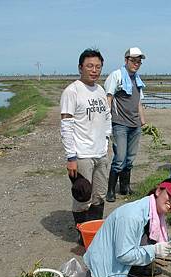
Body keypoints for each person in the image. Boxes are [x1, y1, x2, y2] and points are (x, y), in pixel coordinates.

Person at [84, 181, 171, 277]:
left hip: (119, 258)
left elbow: (159, 235)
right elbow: (123, 255)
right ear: (158, 191)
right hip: (105, 271)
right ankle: (132, 271)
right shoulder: (132, 216)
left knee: (148, 240)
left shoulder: (155, 214)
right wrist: (154, 250)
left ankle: (137, 269)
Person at [60, 48, 111, 232]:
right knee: (83, 197)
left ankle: (94, 231)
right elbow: (66, 126)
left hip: (101, 153)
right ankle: (82, 234)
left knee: (99, 195)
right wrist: (71, 157)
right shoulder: (72, 91)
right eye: (90, 66)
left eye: (98, 66)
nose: (94, 70)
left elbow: (107, 117)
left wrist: (106, 141)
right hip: (82, 155)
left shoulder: (100, 90)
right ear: (80, 67)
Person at [104, 47, 147, 202]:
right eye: (133, 60)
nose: (136, 64)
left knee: (130, 158)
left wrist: (143, 121)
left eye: (139, 61)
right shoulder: (116, 76)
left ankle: (125, 187)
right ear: (126, 60)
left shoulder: (137, 79)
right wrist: (107, 120)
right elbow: (108, 97)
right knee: (120, 158)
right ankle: (110, 191)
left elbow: (138, 102)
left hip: (135, 125)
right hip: (119, 124)